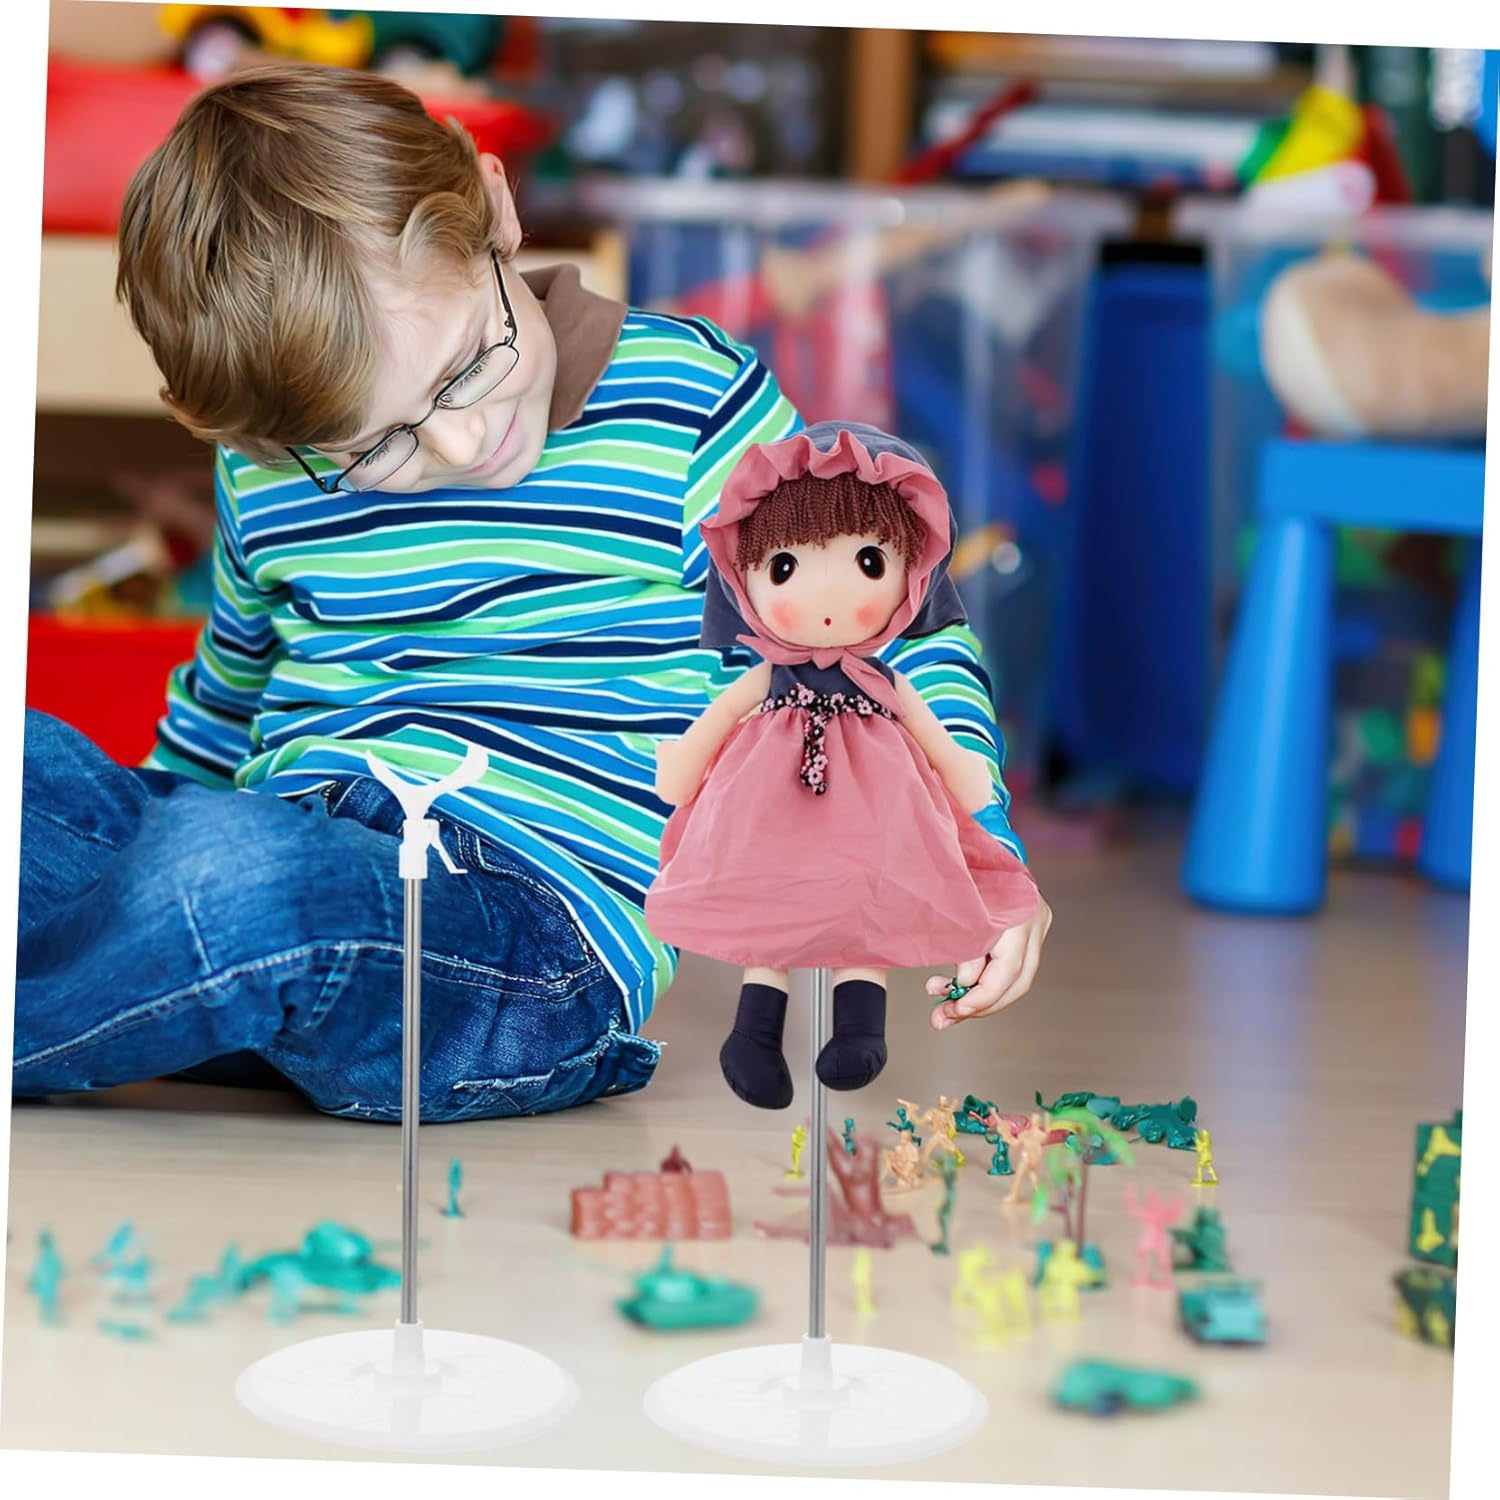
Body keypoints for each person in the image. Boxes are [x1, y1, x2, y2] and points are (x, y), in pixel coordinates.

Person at [14, 62, 1050, 1123]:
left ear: (496, 215)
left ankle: (151, 959)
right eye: (376, 447)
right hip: (285, 869)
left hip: (525, 941)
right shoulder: (273, 468)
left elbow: (892, 641)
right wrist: (124, 848)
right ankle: (171, 962)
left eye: (469, 362)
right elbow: (222, 701)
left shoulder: (689, 403)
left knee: (233, 872)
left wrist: (986, 850)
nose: (462, 443)